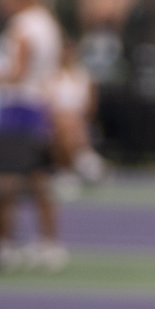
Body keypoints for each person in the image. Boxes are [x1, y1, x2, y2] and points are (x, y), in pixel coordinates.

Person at [0, 0, 67, 271]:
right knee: (39, 178)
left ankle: (3, 243)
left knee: (5, 179)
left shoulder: (23, 25)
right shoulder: (49, 23)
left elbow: (17, 72)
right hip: (39, 105)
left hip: (18, 106)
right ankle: (48, 242)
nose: (0, 1)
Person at [46, 33, 102, 196]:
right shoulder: (50, 74)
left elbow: (90, 106)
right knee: (66, 124)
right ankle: (83, 159)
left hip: (78, 122)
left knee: (71, 123)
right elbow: (47, 103)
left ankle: (72, 168)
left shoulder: (83, 75)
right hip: (55, 122)